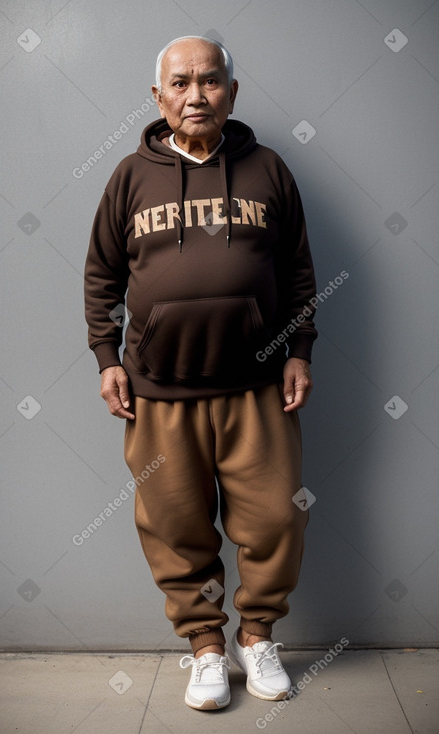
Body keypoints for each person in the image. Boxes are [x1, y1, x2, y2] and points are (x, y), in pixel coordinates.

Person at [84, 35, 317, 711]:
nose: (196, 95)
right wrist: (106, 358)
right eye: (180, 83)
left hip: (257, 386)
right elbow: (102, 274)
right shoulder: (129, 176)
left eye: (210, 81)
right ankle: (206, 650)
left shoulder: (268, 170)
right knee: (175, 526)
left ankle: (259, 637)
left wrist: (300, 347)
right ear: (159, 97)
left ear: (231, 92)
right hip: (160, 392)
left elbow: (299, 271)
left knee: (275, 520)